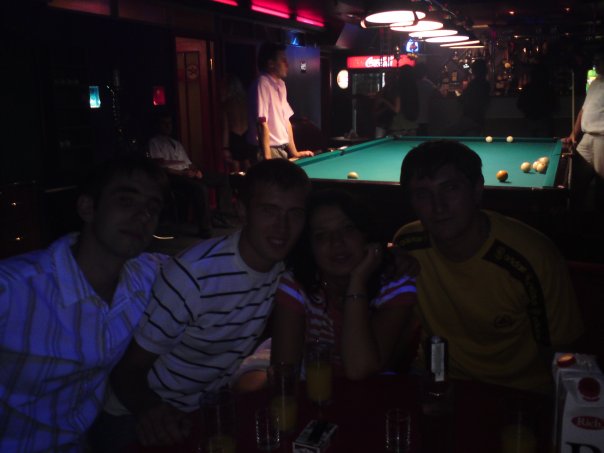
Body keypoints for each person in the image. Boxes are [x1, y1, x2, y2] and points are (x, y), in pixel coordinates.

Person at [103, 159, 311, 449]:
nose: (282, 227)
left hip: (206, 409)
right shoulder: (193, 276)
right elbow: (128, 372)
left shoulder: (284, 267)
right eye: (269, 211)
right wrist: (154, 412)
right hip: (139, 417)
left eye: (294, 214)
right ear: (242, 210)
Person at [0, 156, 168, 452]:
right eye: (126, 201)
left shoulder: (145, 275)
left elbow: (207, 265)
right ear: (88, 208)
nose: (143, 216)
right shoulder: (14, 289)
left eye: (152, 208)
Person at [393, 140, 584, 394]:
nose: (438, 206)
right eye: (422, 194)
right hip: (435, 379)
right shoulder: (407, 244)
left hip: (517, 392)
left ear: (477, 190)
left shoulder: (533, 256)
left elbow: (562, 352)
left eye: (450, 188)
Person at [271, 189, 417, 380]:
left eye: (348, 229)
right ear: (309, 247)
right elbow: (284, 374)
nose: (337, 243)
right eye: (322, 235)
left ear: (365, 234)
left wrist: (357, 281)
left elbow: (361, 369)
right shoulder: (296, 284)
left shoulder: (396, 284)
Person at [148, 112, 234, 237]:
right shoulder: (154, 143)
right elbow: (161, 167)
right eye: (164, 123)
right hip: (173, 177)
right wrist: (183, 173)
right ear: (159, 125)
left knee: (222, 178)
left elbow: (188, 163)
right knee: (200, 188)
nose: (168, 126)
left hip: (187, 172)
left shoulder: (176, 143)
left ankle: (223, 216)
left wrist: (196, 171)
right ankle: (205, 228)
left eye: (169, 123)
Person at [247, 41, 315, 161]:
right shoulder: (262, 83)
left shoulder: (281, 85)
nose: (287, 64)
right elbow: (262, 123)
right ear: (271, 64)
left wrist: (295, 152)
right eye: (283, 60)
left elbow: (286, 121)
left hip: (280, 150)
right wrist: (267, 159)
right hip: (267, 150)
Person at [565, 47, 604, 211]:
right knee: (575, 180)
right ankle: (574, 215)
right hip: (587, 139)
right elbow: (583, 110)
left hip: (602, 139)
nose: (595, 64)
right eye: (595, 60)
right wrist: (573, 134)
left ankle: (597, 220)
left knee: (601, 188)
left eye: (599, 60)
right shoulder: (595, 82)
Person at [221, 73, 256, 172]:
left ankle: (238, 183)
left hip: (234, 136)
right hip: (247, 134)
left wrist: (225, 148)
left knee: (236, 168)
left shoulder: (226, 104)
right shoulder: (247, 101)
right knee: (248, 165)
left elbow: (225, 128)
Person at [517, 64, 559, 137]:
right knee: (544, 142)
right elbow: (556, 107)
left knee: (532, 142)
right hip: (539, 122)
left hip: (537, 121)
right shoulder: (549, 89)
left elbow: (519, 105)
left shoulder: (528, 88)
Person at [457, 59, 490, 135]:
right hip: (479, 118)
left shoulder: (473, 84)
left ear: (474, 71)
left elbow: (462, 99)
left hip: (470, 118)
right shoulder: (486, 84)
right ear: (485, 70)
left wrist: (460, 95)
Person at [389, 64, 419, 136]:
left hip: (399, 127)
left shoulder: (398, 88)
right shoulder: (414, 88)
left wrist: (384, 101)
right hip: (412, 126)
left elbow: (397, 110)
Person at [415, 62, 440, 136]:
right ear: (425, 73)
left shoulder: (412, 84)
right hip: (427, 118)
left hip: (413, 119)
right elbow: (439, 96)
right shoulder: (429, 85)